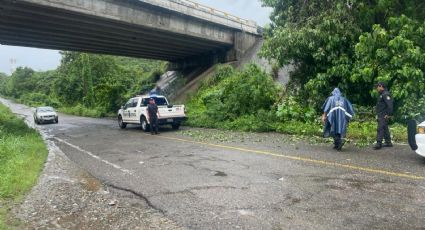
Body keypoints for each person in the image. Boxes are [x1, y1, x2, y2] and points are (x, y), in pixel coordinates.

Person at [374, 82, 393, 149]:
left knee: (380, 128)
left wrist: (388, 114)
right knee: (385, 128)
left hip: (384, 114)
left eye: (377, 87)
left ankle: (378, 144)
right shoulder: (381, 94)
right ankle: (388, 142)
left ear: (381, 86)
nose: (377, 88)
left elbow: (390, 105)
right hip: (381, 114)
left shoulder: (386, 94)